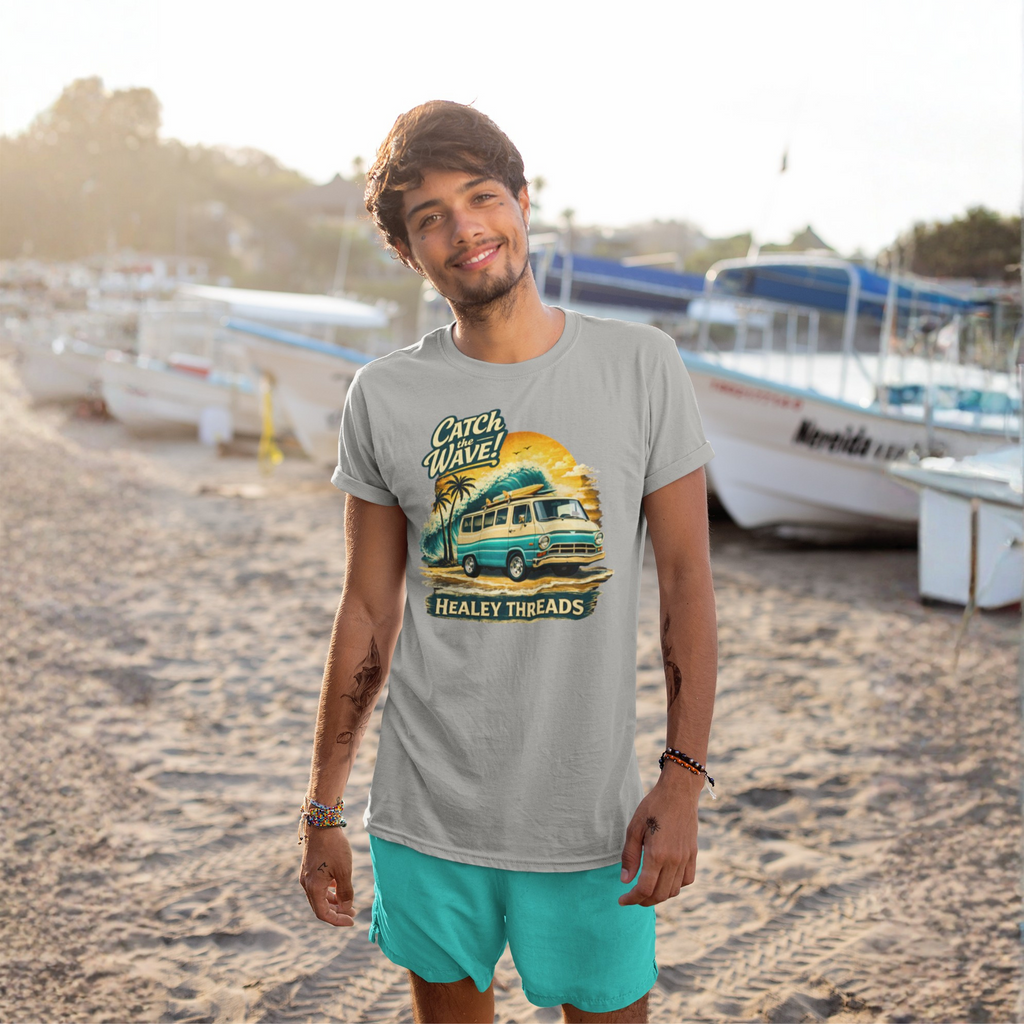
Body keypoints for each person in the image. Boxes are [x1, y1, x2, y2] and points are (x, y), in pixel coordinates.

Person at [298, 100, 718, 1024]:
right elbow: (367, 611)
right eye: (431, 217)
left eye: (481, 197)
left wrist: (682, 780)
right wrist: (322, 810)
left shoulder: (642, 366)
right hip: (425, 817)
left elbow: (687, 584)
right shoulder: (384, 396)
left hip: (593, 826)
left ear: (524, 203)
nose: (465, 229)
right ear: (408, 252)